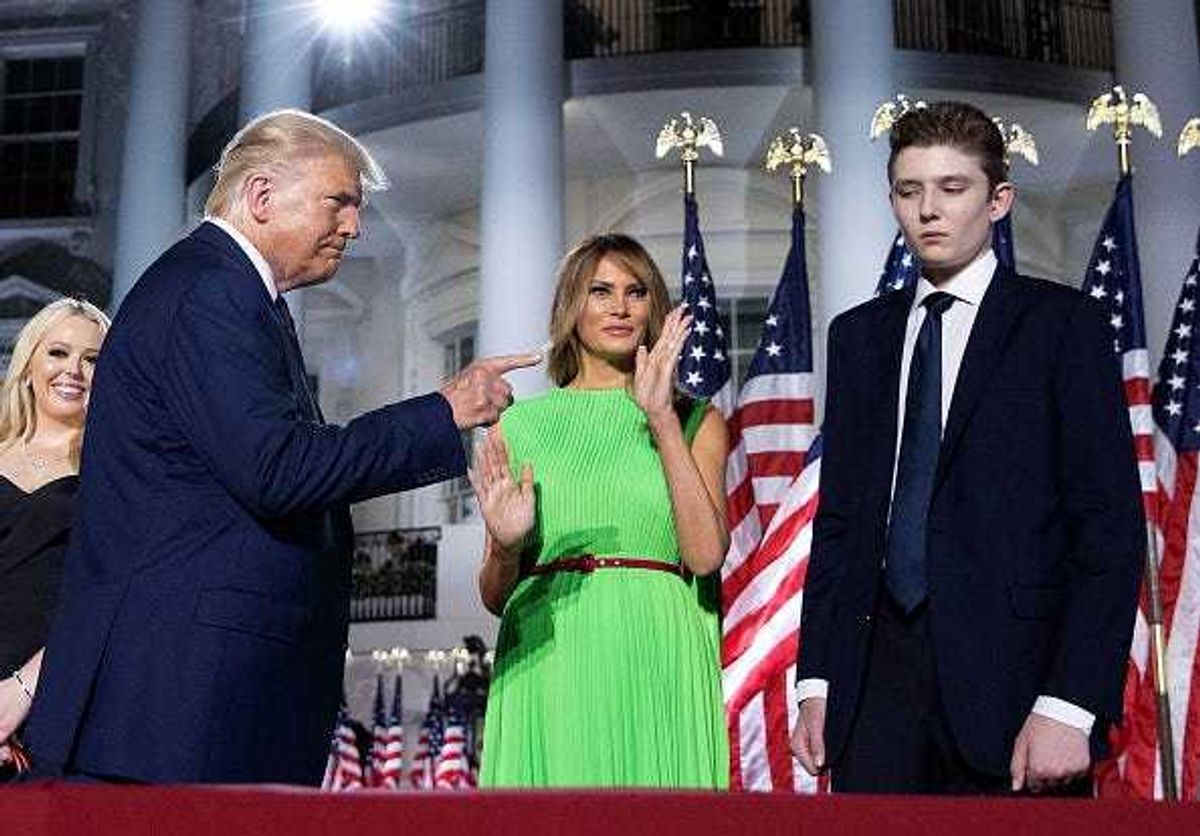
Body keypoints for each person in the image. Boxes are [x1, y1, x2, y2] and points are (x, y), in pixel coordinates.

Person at [24, 110, 536, 785]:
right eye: (339, 201)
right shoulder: (210, 291)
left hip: (192, 699)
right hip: (180, 705)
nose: (353, 226)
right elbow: (279, 469)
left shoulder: (230, 294)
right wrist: (442, 412)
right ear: (262, 196)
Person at [790, 101, 1144, 794]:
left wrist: (1071, 703)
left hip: (1020, 689)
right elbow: (841, 526)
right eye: (910, 190)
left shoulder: (1062, 325)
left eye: (953, 189)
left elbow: (1108, 528)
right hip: (873, 692)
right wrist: (818, 677)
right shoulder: (857, 336)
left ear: (998, 200)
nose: (929, 210)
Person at [471, 233, 729, 787]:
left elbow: (705, 557)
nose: (620, 307)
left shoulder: (696, 420)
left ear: (653, 308)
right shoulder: (519, 425)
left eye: (636, 292)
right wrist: (510, 546)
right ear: (572, 306)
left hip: (656, 647)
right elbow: (494, 595)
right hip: (549, 650)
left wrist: (659, 417)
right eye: (600, 291)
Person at [0, 299, 108, 779]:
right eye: (59, 353)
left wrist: (19, 695)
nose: (74, 371)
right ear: (28, 365)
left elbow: (105, 596)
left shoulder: (117, 475)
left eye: (92, 359)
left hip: (57, 702)